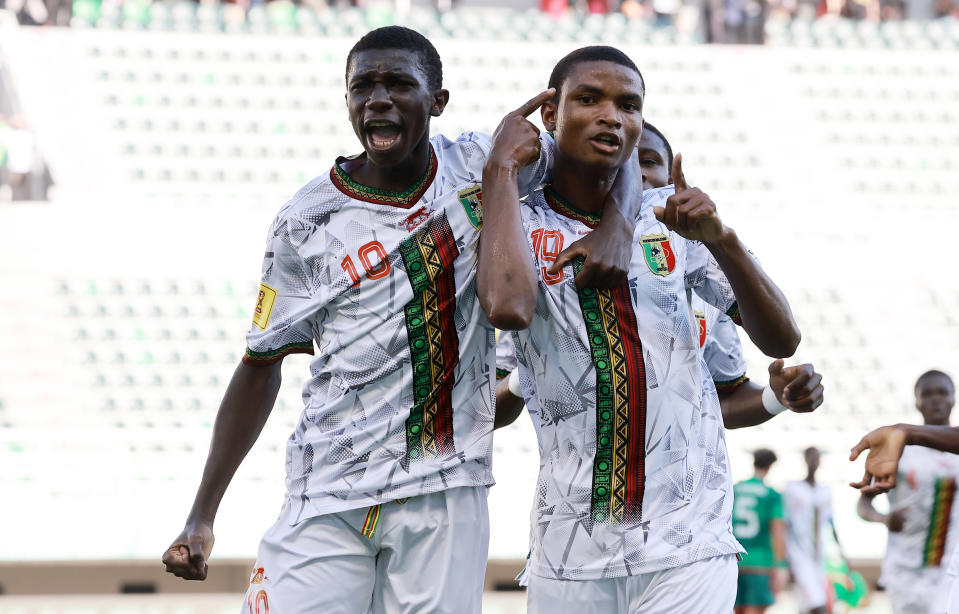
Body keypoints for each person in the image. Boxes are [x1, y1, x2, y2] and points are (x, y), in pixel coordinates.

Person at [160, 27, 639, 614]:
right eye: (362, 86)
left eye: (398, 84)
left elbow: (622, 155)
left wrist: (618, 221)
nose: (378, 99)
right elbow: (259, 365)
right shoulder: (305, 220)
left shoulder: (484, 165)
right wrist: (202, 514)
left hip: (444, 490)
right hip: (328, 488)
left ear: (437, 101)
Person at [478, 45, 801, 612]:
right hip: (569, 545)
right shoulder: (516, 220)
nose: (612, 116)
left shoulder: (671, 221)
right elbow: (507, 306)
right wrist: (503, 170)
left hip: (688, 541)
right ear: (549, 113)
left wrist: (721, 240)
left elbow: (782, 339)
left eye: (629, 105)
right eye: (590, 99)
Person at [851, 371, 959, 614]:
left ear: (953, 398)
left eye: (942, 393)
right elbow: (863, 504)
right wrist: (884, 518)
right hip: (905, 571)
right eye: (927, 394)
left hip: (949, 569)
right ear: (916, 401)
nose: (935, 400)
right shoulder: (902, 451)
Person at [785, 447, 848, 614]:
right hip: (798, 553)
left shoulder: (824, 491)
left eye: (816, 458)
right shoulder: (792, 490)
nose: (814, 461)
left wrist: (843, 555)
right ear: (805, 459)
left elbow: (830, 523)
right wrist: (783, 560)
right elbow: (783, 523)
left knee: (808, 606)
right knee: (818, 605)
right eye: (811, 457)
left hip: (818, 555)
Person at [733, 449, 787, 614]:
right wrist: (781, 565)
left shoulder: (735, 489)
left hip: (734, 560)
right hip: (760, 562)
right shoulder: (772, 494)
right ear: (770, 466)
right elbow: (777, 529)